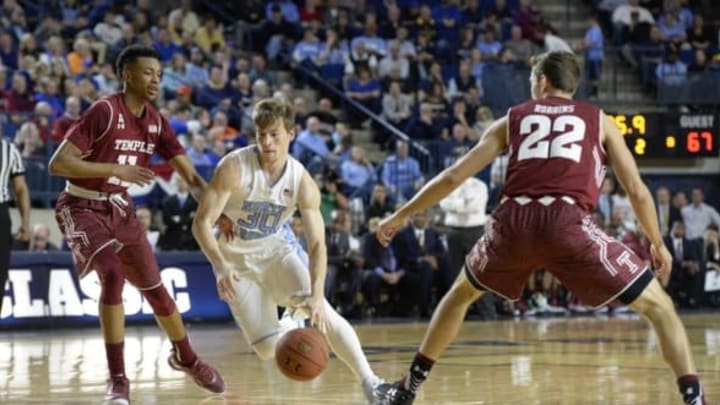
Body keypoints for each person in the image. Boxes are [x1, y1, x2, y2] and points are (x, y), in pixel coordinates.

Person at [374, 51, 709, 405]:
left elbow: (454, 176)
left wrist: (400, 214)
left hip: (512, 223)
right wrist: (656, 242)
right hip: (567, 223)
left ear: (543, 81)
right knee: (660, 306)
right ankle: (693, 399)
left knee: (459, 296)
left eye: (533, 79)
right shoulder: (599, 120)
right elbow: (638, 192)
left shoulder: (511, 119)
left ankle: (407, 389)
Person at [48, 45, 225, 404]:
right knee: (112, 274)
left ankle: (187, 359)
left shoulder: (157, 121)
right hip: (81, 205)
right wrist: (115, 169)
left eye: (159, 74)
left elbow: (190, 177)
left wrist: (218, 211)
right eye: (148, 72)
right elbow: (58, 163)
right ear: (127, 75)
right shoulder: (104, 110)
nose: (156, 79)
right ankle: (118, 381)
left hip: (121, 209)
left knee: (157, 290)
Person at [191, 97, 384, 403]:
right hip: (235, 262)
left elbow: (318, 242)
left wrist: (318, 294)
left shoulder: (302, 181)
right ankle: (286, 321)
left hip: (276, 252)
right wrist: (219, 266)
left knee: (323, 313)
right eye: (261, 134)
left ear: (291, 134)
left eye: (274, 135)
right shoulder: (234, 167)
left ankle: (372, 383)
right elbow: (201, 224)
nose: (267, 142)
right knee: (268, 350)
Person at [0, 138, 30, 314]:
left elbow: (20, 188)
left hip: (1, 213)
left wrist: (25, 222)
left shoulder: (9, 150)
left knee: (0, 274)